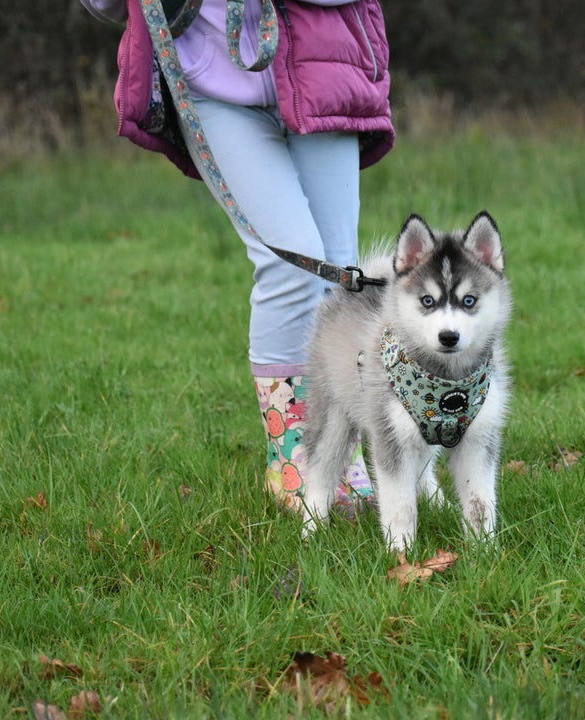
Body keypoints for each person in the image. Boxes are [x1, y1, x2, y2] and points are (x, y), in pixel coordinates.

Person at [78, 0, 394, 515]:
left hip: (324, 69)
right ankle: (292, 457)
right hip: (214, 89)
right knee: (294, 262)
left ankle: (340, 446)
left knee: (339, 273)